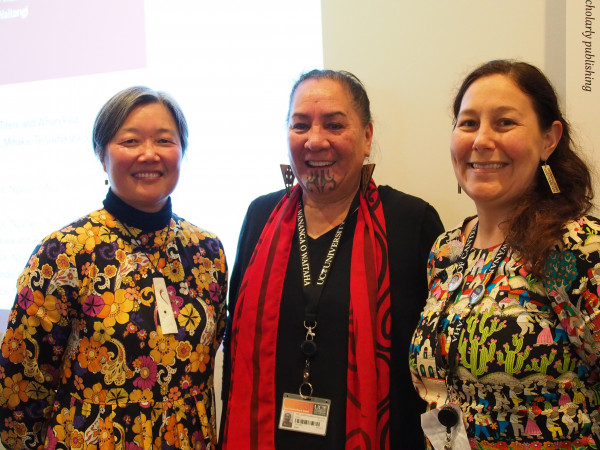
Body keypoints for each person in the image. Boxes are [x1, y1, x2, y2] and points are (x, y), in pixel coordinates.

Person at [220, 69, 444, 449]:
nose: (315, 141)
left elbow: (434, 366)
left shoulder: (411, 222)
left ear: (367, 136)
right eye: (300, 125)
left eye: (334, 125)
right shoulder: (260, 216)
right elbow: (235, 347)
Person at [0, 86, 227, 449]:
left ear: (182, 151)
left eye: (165, 140)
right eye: (131, 141)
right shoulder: (63, 252)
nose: (149, 154)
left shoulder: (206, 250)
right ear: (101, 154)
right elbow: (22, 384)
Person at [409, 59, 600, 449]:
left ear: (549, 139)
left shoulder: (573, 247)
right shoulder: (448, 251)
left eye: (504, 122)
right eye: (468, 123)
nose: (481, 140)